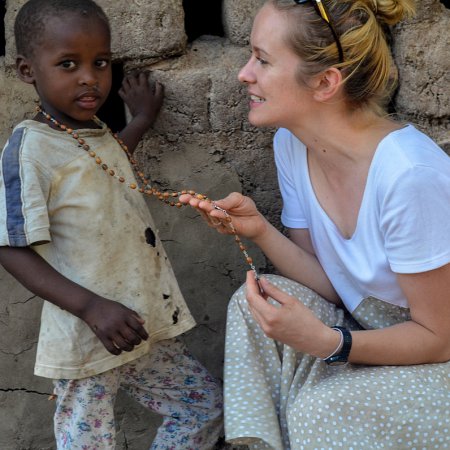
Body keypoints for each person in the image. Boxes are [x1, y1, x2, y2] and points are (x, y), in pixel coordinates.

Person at [181, 0, 450, 448]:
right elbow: (332, 284)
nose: (244, 74)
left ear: (325, 82)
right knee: (252, 304)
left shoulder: (409, 177)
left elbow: (440, 338)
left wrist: (329, 342)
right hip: (366, 329)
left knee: (320, 411)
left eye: (263, 60)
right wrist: (258, 229)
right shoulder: (292, 143)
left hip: (437, 360)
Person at [0, 0, 223, 448]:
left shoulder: (95, 132)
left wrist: (139, 120)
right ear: (27, 71)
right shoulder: (31, 149)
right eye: (68, 64)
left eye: (100, 63)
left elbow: (104, 166)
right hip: (89, 333)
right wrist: (89, 307)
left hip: (142, 324)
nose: (90, 77)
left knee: (204, 409)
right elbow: (9, 246)